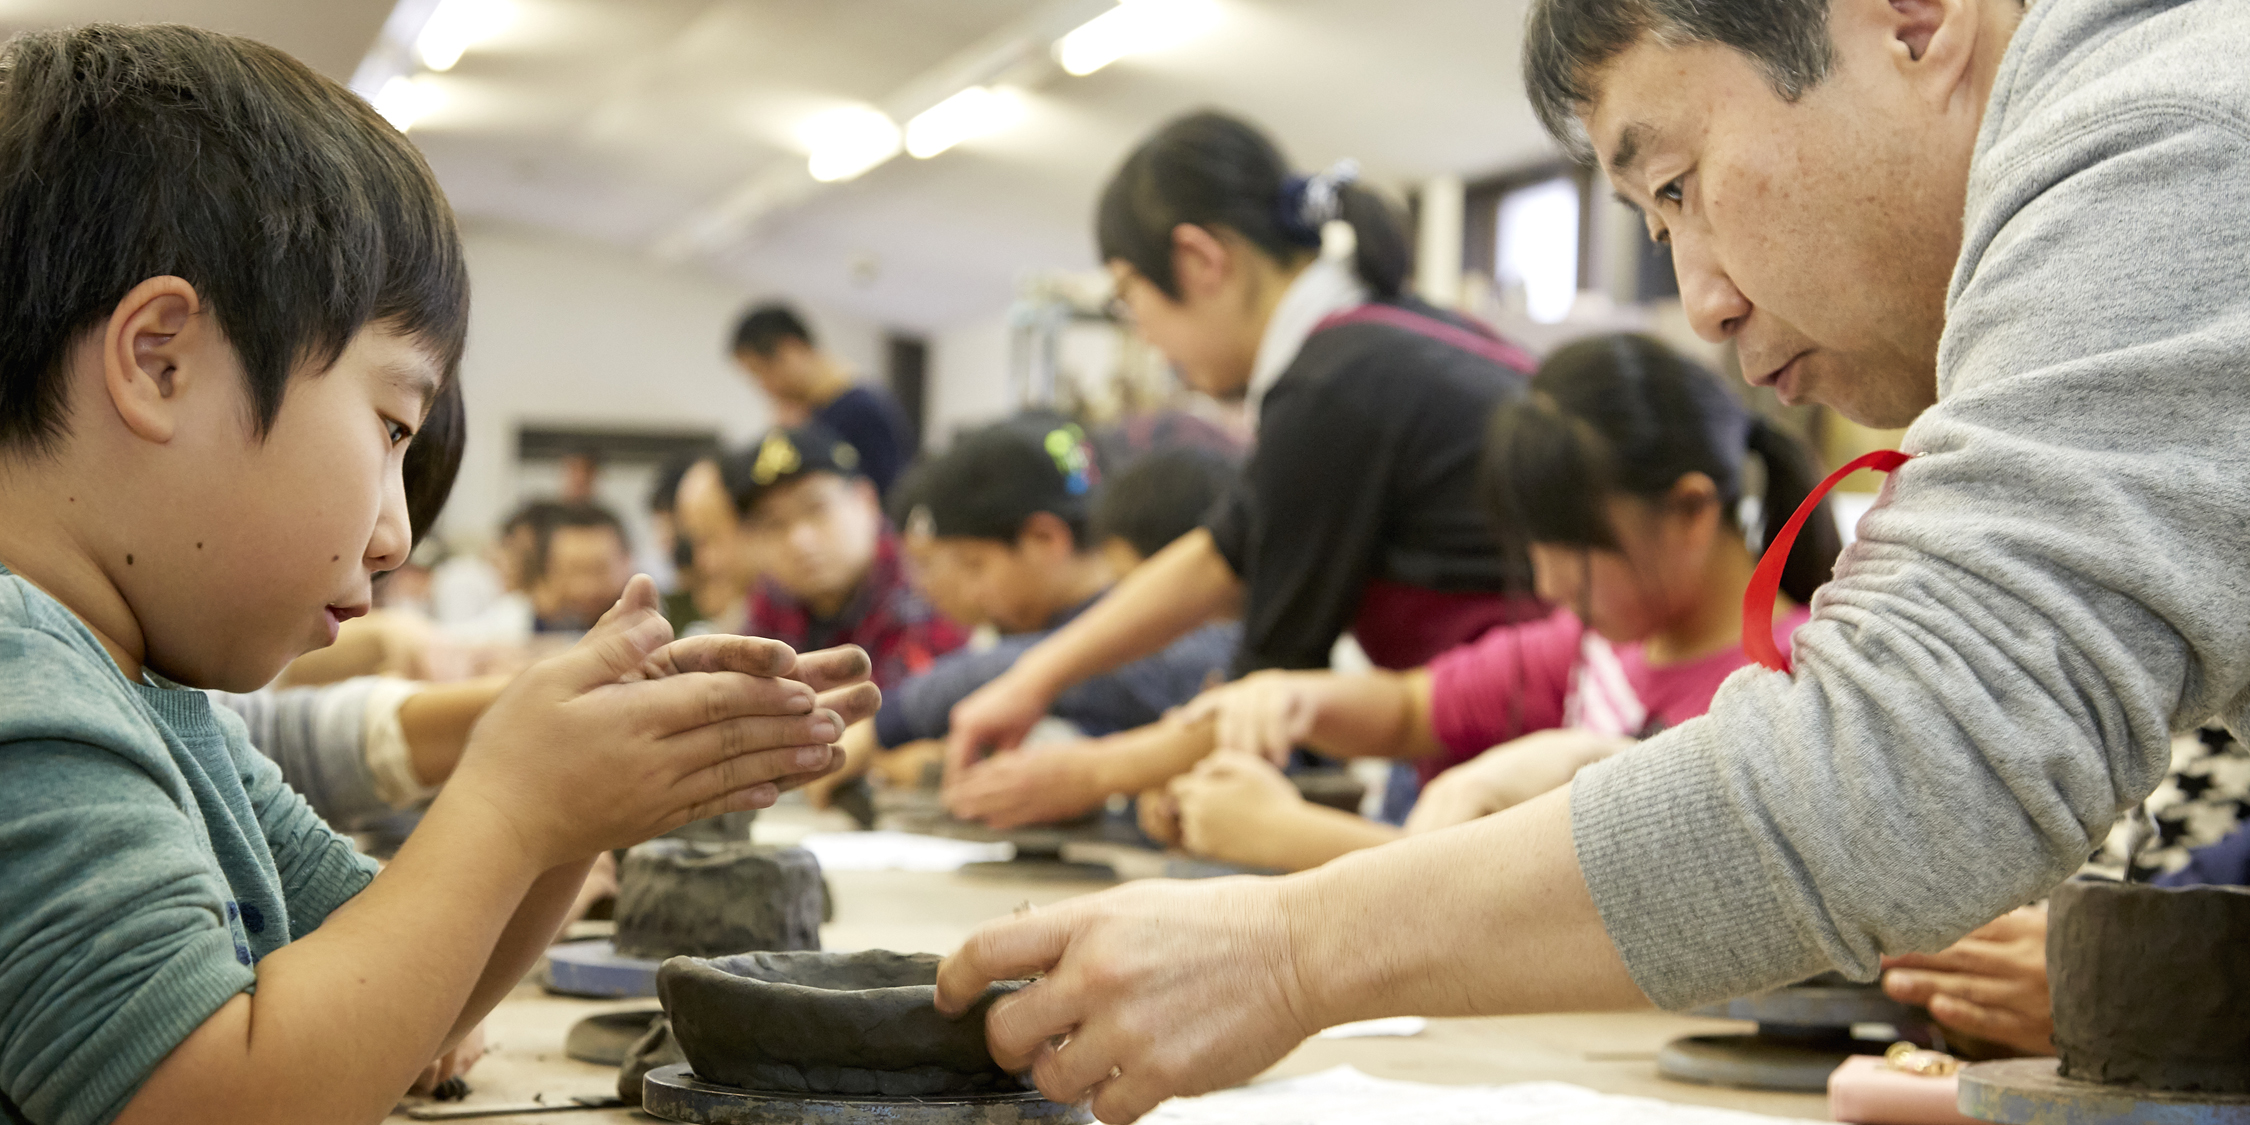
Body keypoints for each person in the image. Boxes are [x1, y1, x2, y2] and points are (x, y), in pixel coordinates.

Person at [932, 1, 2250, 1120]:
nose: (1701, 298)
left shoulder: (2171, 140)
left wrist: (1288, 950)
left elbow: (1903, 770)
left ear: (1907, 14)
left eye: (1675, 185)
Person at [0, 26, 877, 1125]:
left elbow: (393, 984)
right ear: (159, 362)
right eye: (390, 425)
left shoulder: (151, 698)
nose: (396, 537)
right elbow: (221, 1100)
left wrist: (572, 812)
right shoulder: (21, 686)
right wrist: (508, 808)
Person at [949, 336, 1837, 842]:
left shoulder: (1781, 687)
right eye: (1538, 553)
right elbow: (1413, 709)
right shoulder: (1598, 645)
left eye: (1576, 550)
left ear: (1688, 511)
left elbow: (1590, 908)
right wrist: (1293, 698)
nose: (1553, 583)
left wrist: (1285, 834)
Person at [944, 111, 1543, 794]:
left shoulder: (1332, 387)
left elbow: (1267, 689)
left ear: (1200, 260)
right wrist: (1034, 678)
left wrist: (1087, 775)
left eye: (1127, 296)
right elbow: (1222, 554)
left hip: (1522, 753)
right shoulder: (1372, 342)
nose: (1143, 333)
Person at [805, 418, 1237, 810]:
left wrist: (889, 722)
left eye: (974, 565)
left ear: (1045, 539)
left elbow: (1112, 667)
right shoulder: (1039, 642)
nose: (968, 593)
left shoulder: (1171, 643)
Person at [696, 424, 967, 690]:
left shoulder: (926, 583)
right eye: (773, 524)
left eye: (816, 509)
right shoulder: (773, 599)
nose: (799, 540)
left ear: (866, 500)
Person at [730, 303, 919, 497]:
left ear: (791, 349)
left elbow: (891, 500)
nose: (764, 387)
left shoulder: (862, 410)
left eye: (760, 372)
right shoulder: (809, 415)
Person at [527, 502, 634, 633]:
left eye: (598, 570)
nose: (585, 587)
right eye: (572, 571)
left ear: (628, 562)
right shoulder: (516, 625)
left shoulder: (655, 625)